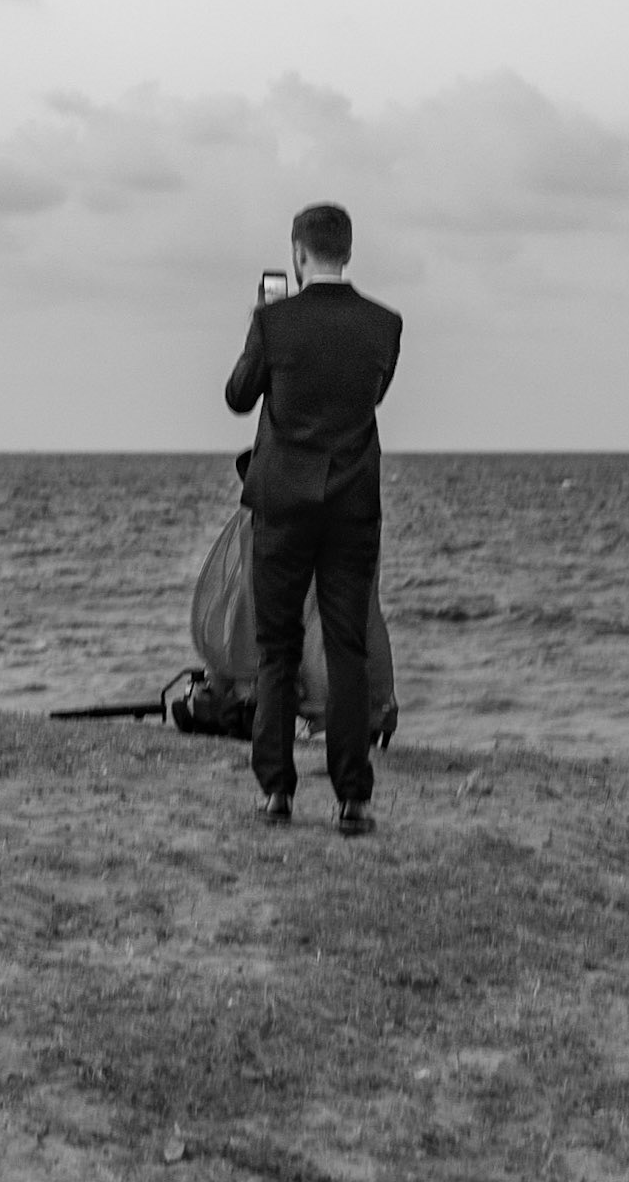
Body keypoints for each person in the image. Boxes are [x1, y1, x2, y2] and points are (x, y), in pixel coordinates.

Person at [225, 203, 401, 836]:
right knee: (346, 648)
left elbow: (238, 397)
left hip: (283, 506)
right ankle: (353, 798)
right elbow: (368, 398)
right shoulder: (385, 325)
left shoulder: (274, 323)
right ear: (346, 252)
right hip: (352, 506)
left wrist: (259, 325)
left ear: (298, 253)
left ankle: (277, 790)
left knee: (277, 649)